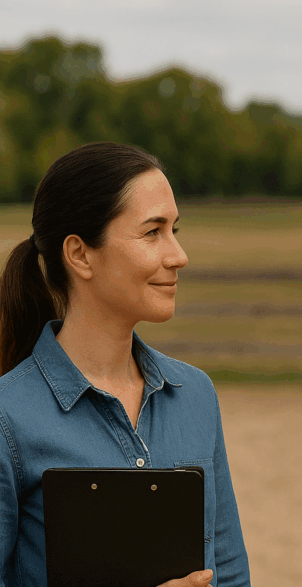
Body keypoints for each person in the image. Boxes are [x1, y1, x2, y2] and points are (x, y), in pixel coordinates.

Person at [0, 142, 250, 586]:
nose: (178, 255)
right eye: (153, 232)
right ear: (80, 255)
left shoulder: (195, 395)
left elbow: (228, 571)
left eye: (175, 230)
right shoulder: (7, 417)